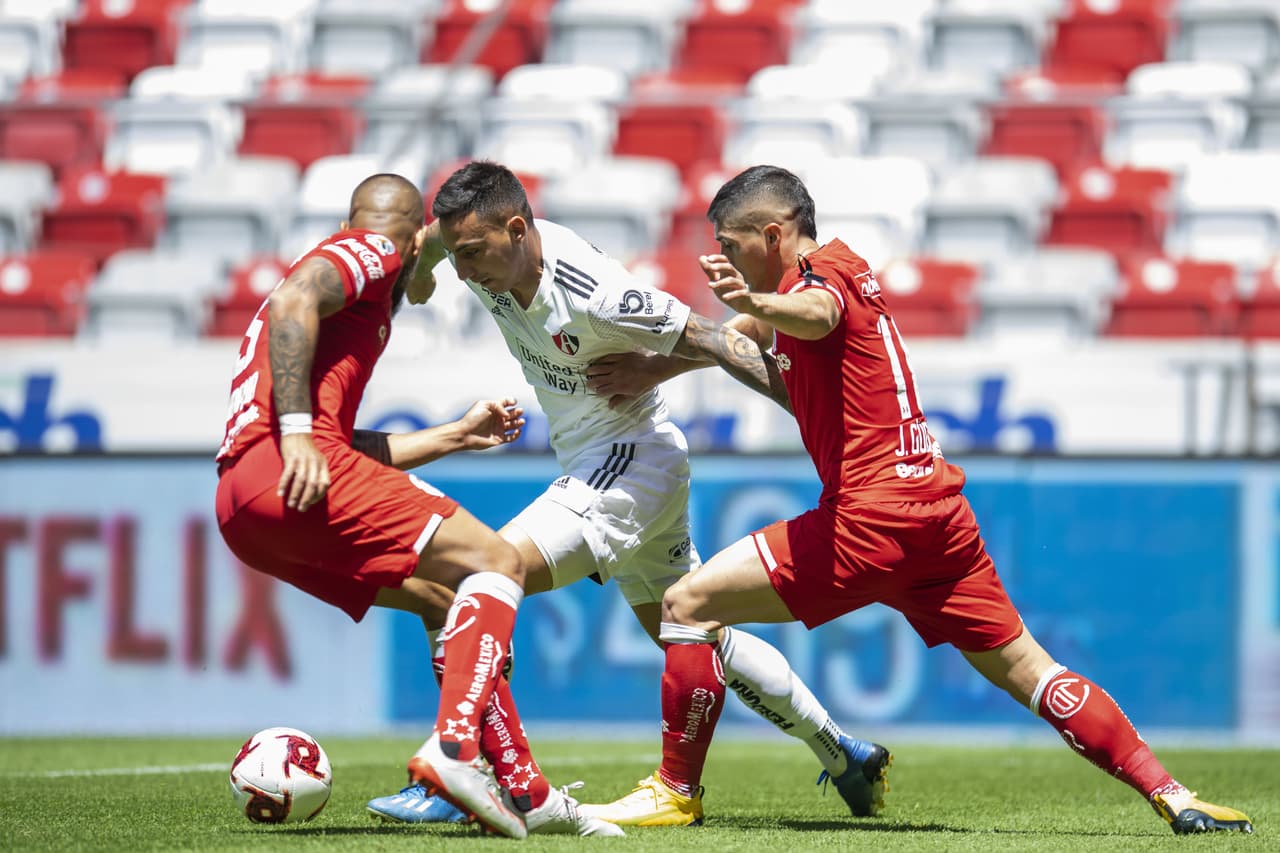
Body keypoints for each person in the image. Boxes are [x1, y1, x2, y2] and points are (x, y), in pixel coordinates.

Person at [585, 164, 1255, 836]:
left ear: (772, 235)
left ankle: (675, 791)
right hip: (939, 519)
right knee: (1032, 669)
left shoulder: (817, 286)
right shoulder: (832, 272)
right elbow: (765, 350)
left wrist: (758, 307)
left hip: (870, 519)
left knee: (685, 604)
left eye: (730, 248)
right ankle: (1173, 794)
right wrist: (662, 364)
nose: (724, 261)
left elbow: (812, 314)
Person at [365, 160, 892, 829]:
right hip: (613, 459)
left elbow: (713, 336)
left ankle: (460, 765)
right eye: (459, 255)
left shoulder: (594, 290)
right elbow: (435, 239)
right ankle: (842, 750)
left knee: (484, 572)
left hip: (627, 459)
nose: (468, 272)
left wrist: (801, 401)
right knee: (689, 630)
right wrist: (425, 267)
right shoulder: (478, 246)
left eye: (473, 255)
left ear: (518, 229)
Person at [214, 173, 604, 839]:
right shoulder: (373, 247)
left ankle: (523, 788)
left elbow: (348, 442)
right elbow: (291, 300)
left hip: (243, 508)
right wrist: (303, 433)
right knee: (499, 561)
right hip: (287, 465)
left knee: (443, 598)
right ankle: (454, 751)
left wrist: (454, 434)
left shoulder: (348, 315)